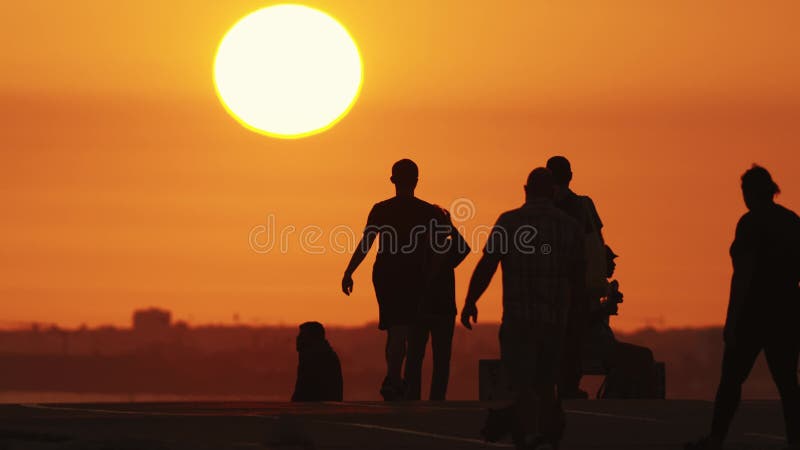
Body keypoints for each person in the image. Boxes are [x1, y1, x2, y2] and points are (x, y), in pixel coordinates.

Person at [461, 168, 584, 449]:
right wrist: (576, 318)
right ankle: (548, 435)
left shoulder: (509, 223)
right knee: (547, 383)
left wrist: (471, 300)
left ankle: (527, 436)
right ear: (553, 192)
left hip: (519, 320)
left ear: (525, 190)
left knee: (522, 383)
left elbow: (488, 265)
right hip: (554, 320)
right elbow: (578, 277)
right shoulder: (569, 227)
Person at [686, 165, 800, 450]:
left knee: (731, 381)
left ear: (750, 192)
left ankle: (716, 439)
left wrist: (732, 319)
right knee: (788, 384)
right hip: (786, 313)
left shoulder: (749, 223)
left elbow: (743, 275)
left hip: (753, 313)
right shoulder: (791, 221)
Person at [341, 159, 446, 401]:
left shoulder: (381, 209)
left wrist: (350, 271)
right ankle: (395, 380)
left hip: (386, 274)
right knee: (403, 329)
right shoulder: (428, 212)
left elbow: (366, 243)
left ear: (392, 180)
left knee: (395, 328)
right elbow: (441, 249)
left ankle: (393, 378)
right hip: (413, 276)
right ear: (417, 181)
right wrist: (431, 275)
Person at [546, 155, 606, 399]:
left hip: (549, 283)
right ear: (570, 176)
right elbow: (597, 241)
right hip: (577, 283)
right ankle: (569, 385)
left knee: (551, 337)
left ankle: (551, 385)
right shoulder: (584, 206)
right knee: (573, 338)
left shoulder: (542, 209)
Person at [405, 207, 471, 401]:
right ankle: (435, 398)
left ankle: (413, 398)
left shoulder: (416, 247)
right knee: (439, 359)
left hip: (424, 309)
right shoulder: (445, 248)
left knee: (415, 359)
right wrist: (450, 227)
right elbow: (465, 248)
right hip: (440, 310)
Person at [291, 321, 343, 402]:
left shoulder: (314, 357)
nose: (298, 338)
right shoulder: (324, 354)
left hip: (319, 409)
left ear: (311, 338)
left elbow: (303, 390)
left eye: (302, 335)